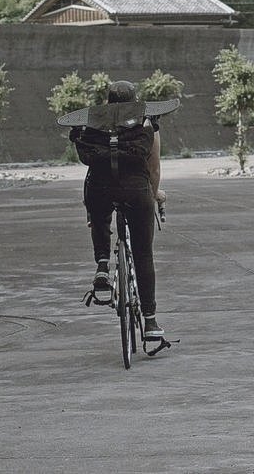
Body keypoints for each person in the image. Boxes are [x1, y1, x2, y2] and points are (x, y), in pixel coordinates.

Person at [72, 80, 166, 340]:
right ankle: (150, 323)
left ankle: (102, 263)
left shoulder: (93, 122)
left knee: (98, 213)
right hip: (135, 190)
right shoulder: (146, 122)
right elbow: (154, 169)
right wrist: (155, 194)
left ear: (108, 102)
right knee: (143, 254)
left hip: (99, 189)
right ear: (135, 101)